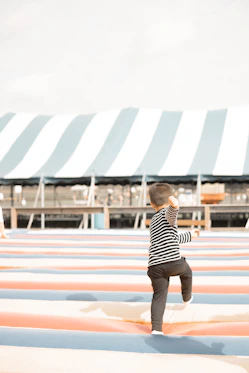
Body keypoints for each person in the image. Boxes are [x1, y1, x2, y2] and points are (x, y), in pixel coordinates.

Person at [147, 183, 200, 335]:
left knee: (159, 296)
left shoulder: (153, 222)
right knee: (187, 272)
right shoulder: (167, 214)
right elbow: (170, 215)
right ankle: (186, 297)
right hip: (173, 262)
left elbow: (172, 238)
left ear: (152, 204)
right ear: (170, 200)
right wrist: (174, 207)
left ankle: (156, 329)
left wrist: (190, 235)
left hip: (155, 266)